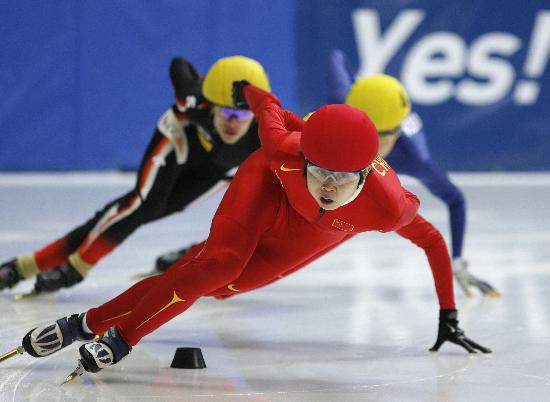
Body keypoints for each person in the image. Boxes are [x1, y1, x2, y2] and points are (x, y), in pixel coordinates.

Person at [14, 81, 490, 378]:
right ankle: (109, 334)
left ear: (365, 176)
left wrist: (449, 316)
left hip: (310, 236)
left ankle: (86, 323)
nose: (327, 186)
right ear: (305, 155)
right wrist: (246, 90)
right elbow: (270, 108)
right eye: (320, 170)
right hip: (266, 188)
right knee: (216, 265)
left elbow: (431, 239)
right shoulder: (285, 151)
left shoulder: (389, 207)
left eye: (342, 178)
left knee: (218, 285)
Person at [0, 55, 270, 295]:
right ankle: (75, 267)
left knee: (147, 212)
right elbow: (179, 64)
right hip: (180, 139)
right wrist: (202, 84)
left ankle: (26, 265)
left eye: (242, 113)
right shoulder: (193, 99)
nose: (233, 121)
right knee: (143, 204)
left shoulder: (267, 131)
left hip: (215, 170)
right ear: (209, 104)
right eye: (226, 111)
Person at [326, 48, 499, 298]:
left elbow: (455, 199)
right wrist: (362, 87)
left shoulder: (414, 157)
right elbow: (336, 56)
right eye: (362, 131)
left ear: (396, 133)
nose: (370, 144)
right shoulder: (343, 100)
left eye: (380, 137)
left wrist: (458, 262)